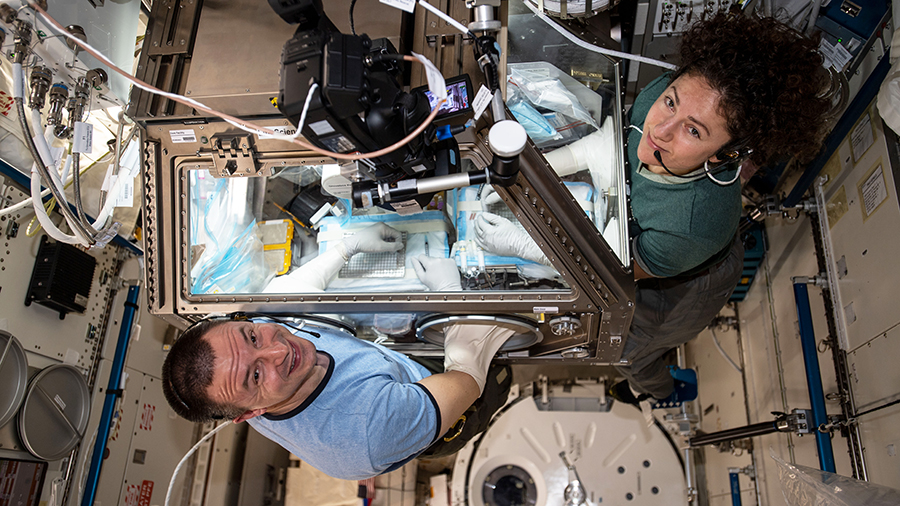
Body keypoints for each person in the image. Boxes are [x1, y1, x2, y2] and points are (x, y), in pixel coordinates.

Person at [475, 11, 831, 404]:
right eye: (670, 103)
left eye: (693, 130)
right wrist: (543, 170)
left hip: (685, 283)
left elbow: (615, 275)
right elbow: (620, 141)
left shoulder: (692, 225)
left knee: (632, 350)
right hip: (651, 238)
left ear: (725, 154)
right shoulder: (665, 97)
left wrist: (527, 246)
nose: (660, 129)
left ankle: (665, 391)